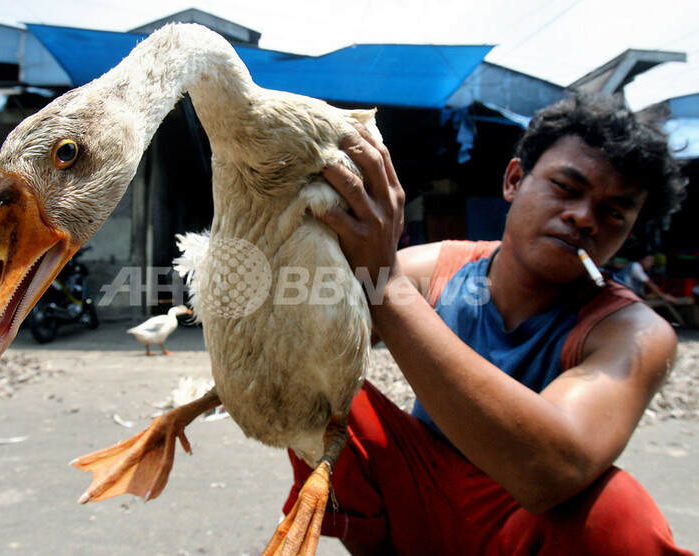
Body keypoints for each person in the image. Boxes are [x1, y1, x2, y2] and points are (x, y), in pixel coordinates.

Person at [284, 93, 693, 554]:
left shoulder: (634, 332)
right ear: (514, 180)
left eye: (614, 212)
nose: (583, 217)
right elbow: (295, 344)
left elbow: (550, 476)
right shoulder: (436, 269)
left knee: (620, 510)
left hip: (524, 522)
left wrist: (388, 288)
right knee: (327, 392)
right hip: (418, 500)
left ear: (629, 233)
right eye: (566, 187)